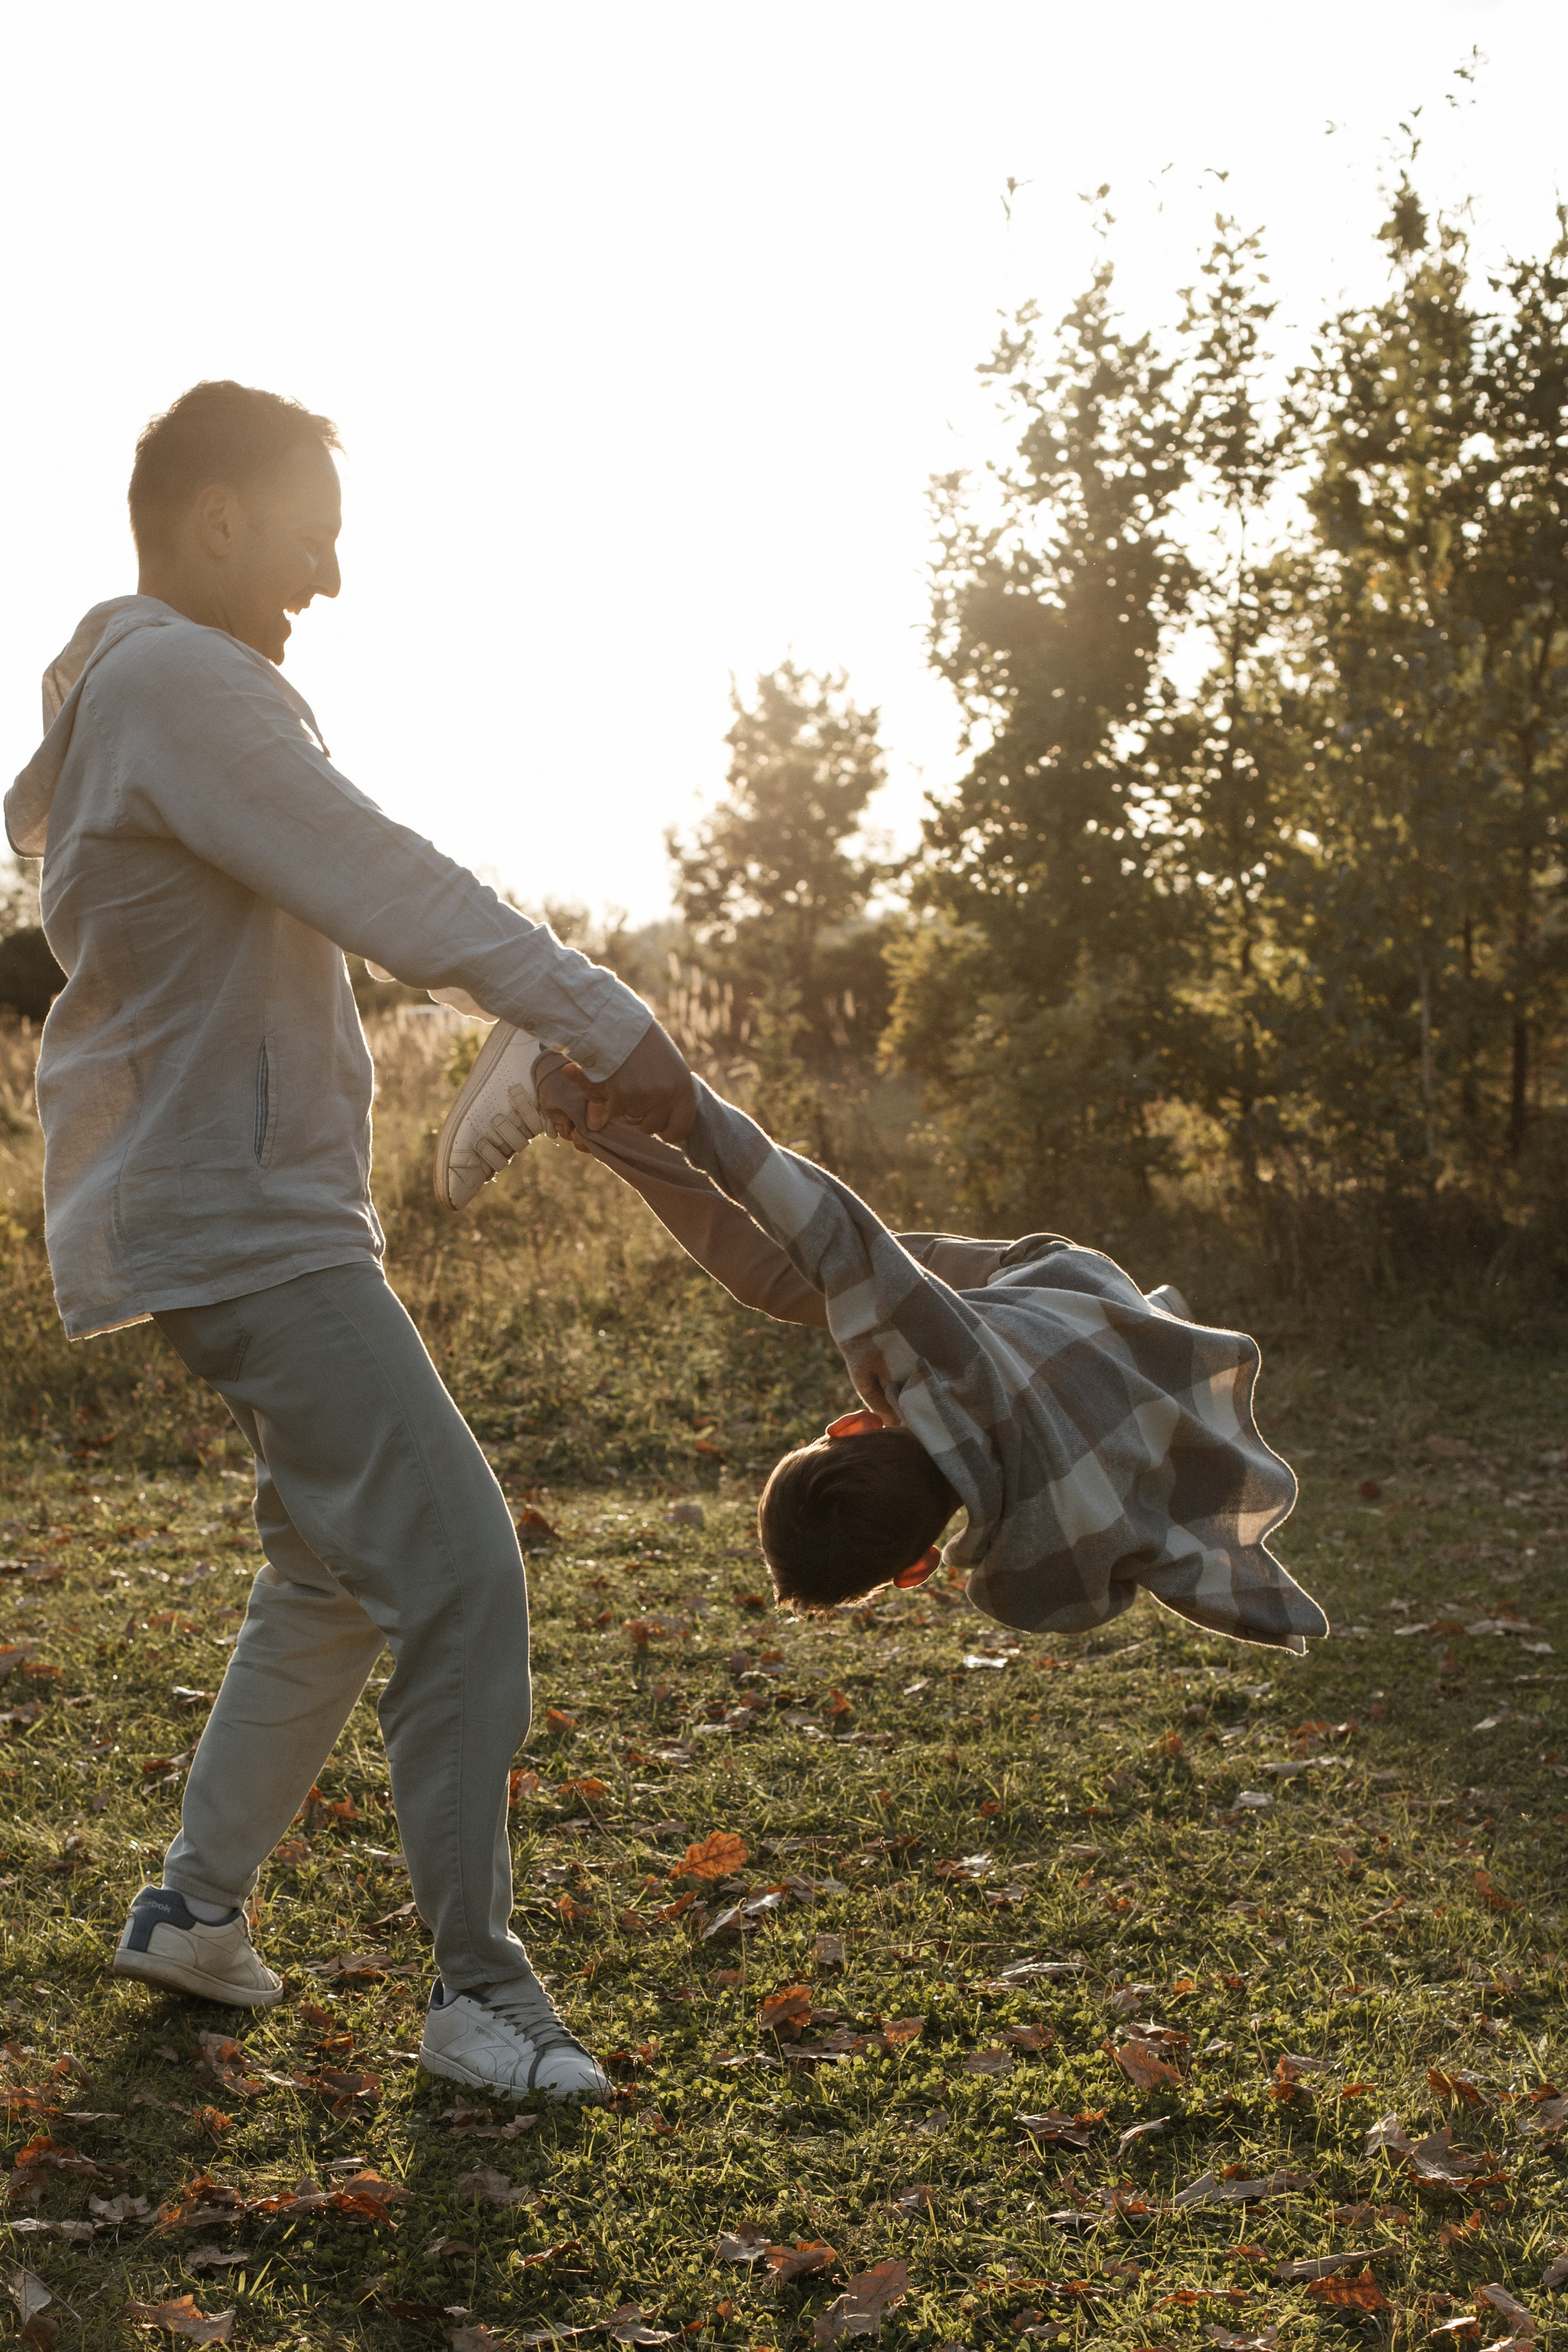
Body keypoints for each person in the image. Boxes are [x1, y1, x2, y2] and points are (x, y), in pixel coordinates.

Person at [4, 380, 695, 2101]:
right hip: (245, 1226)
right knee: (461, 1566)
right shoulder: (177, 682)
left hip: (244, 1211)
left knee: (329, 1562)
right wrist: (595, 1012)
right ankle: (478, 1997)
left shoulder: (150, 689)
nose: (334, 566)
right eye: (313, 520)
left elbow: (340, 891)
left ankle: (195, 1907)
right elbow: (389, 879)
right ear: (219, 518)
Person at [437, 1025, 1325, 1653]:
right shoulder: (935, 1354)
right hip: (1039, 1291)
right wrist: (685, 1109)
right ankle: (562, 1085)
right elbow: (823, 1225)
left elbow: (1186, 1562)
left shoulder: (1046, 1568)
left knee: (785, 1282)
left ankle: (571, 1099)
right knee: (784, 1273)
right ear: (856, 1427)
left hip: (1119, 1342)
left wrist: (1269, 1604)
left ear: (916, 1567)